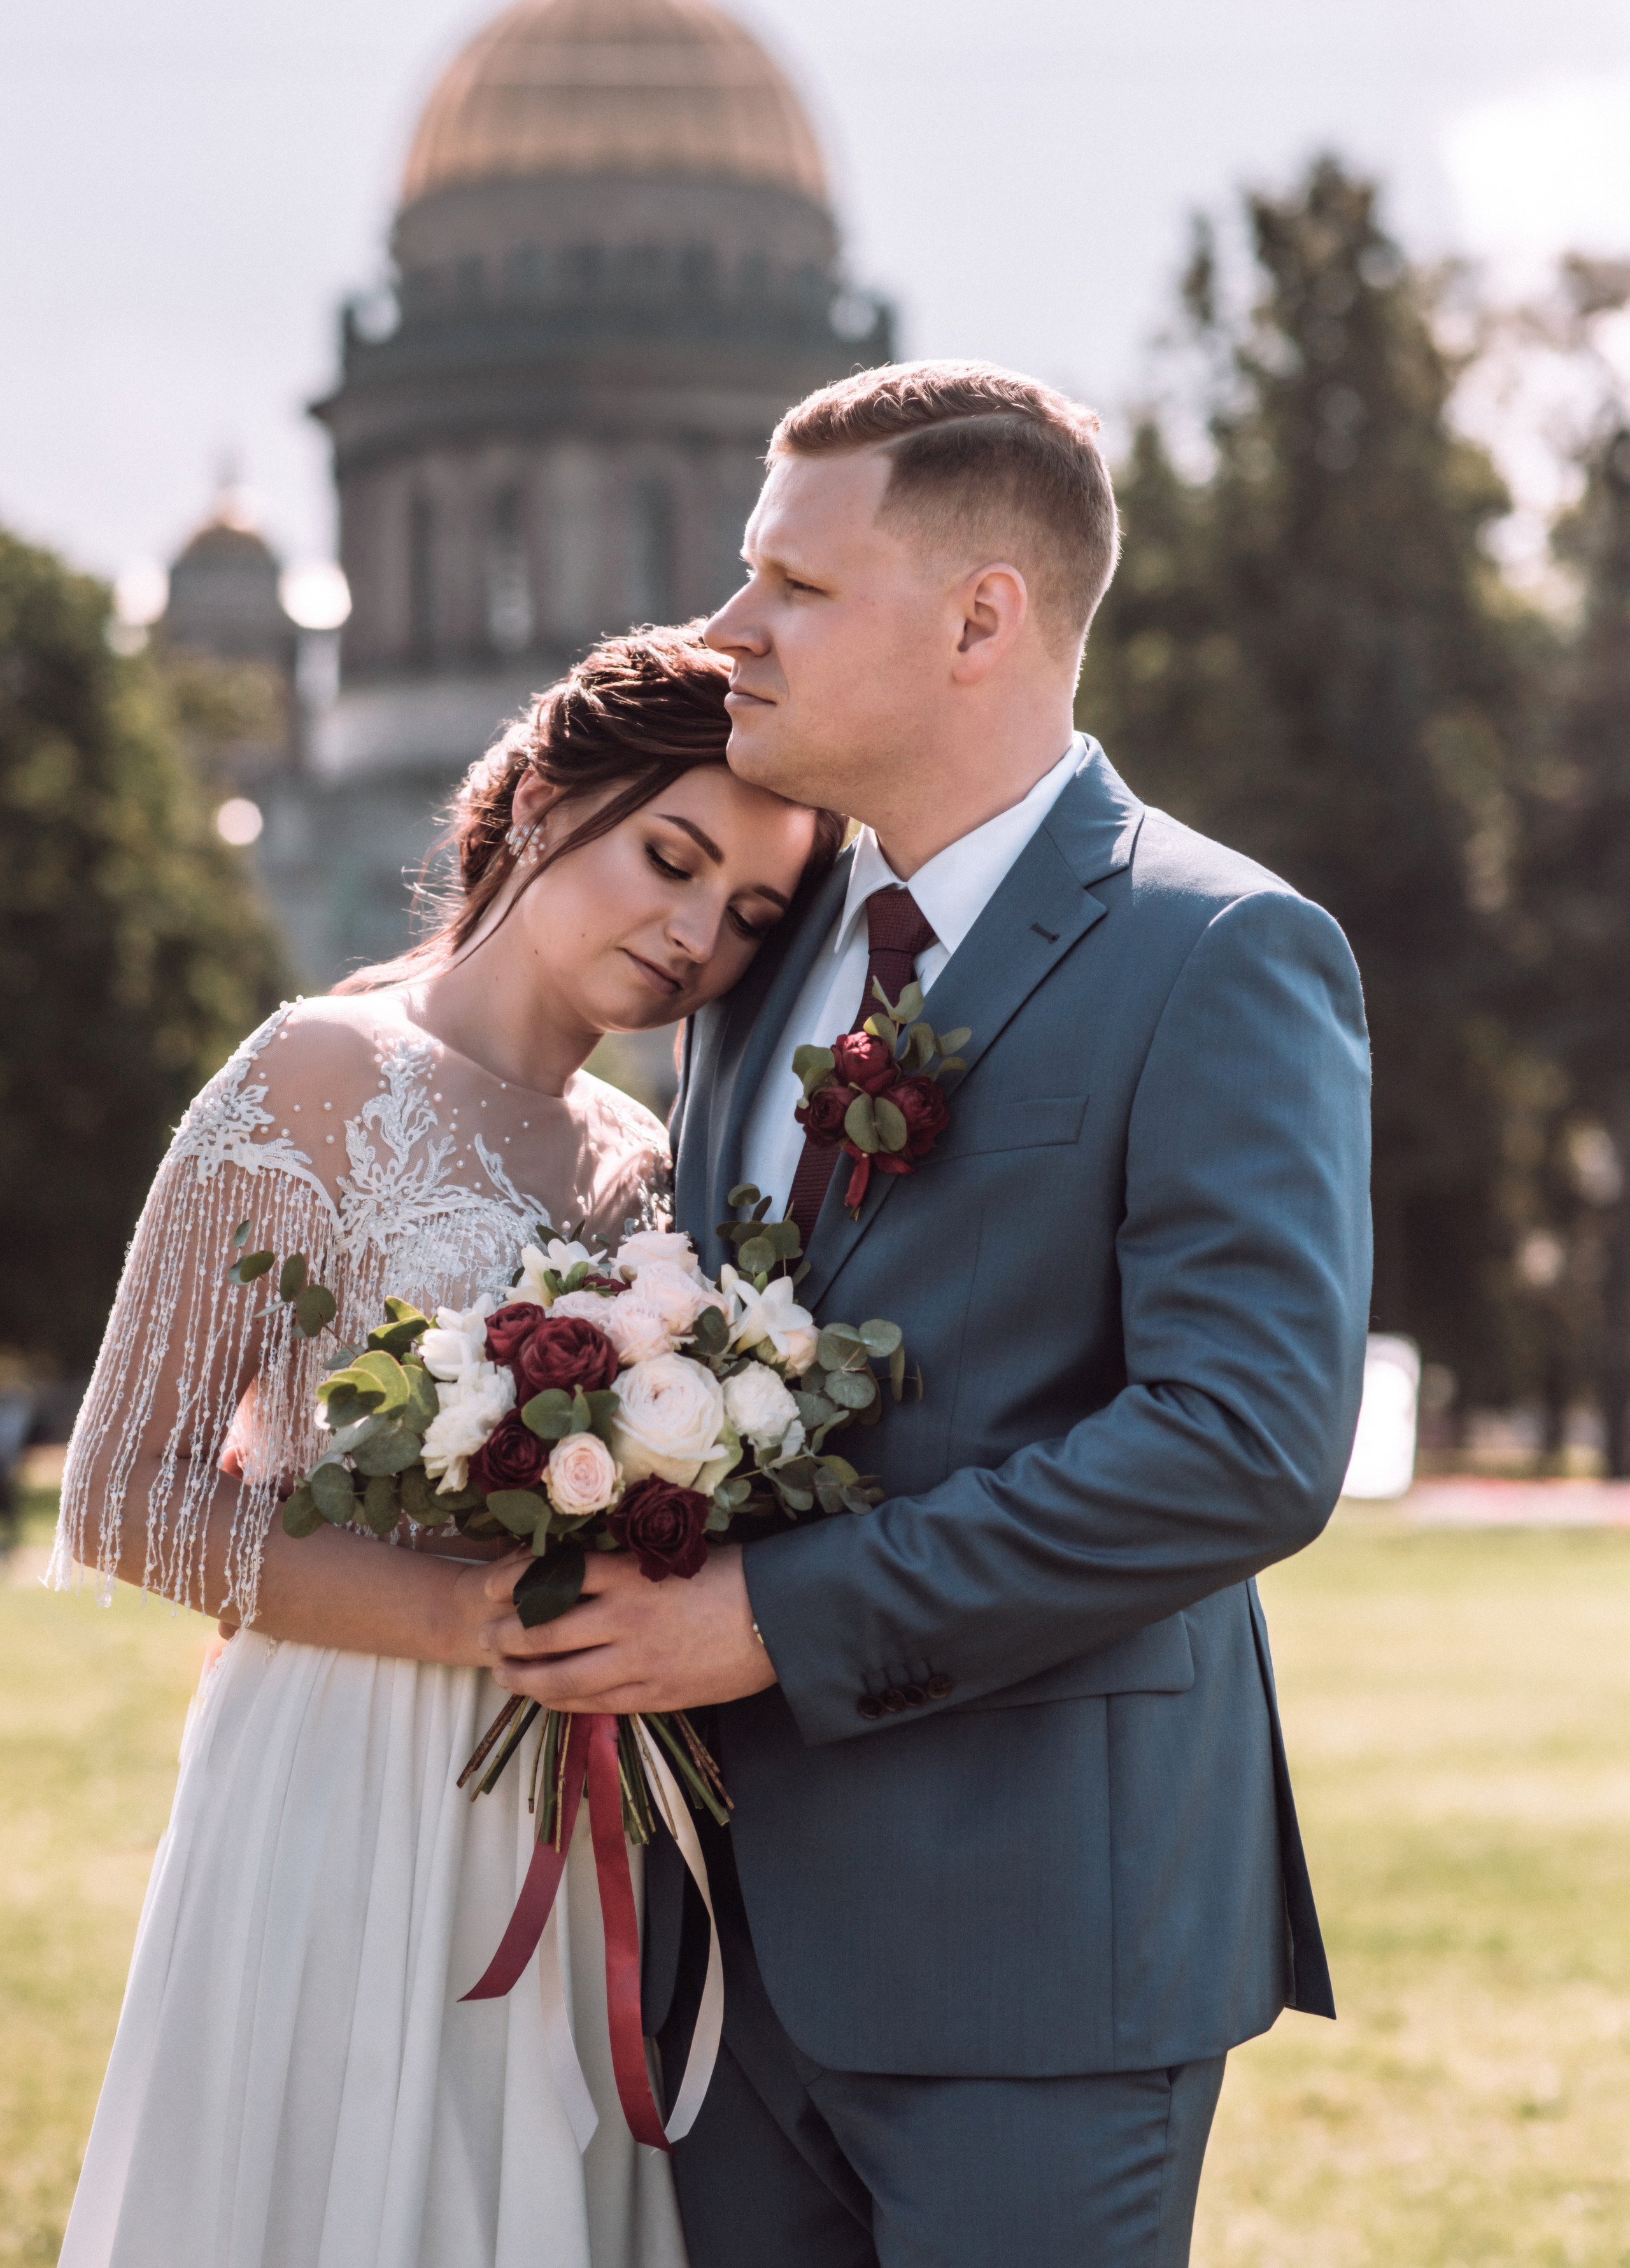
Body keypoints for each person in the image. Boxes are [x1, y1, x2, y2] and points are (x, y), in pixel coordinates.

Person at [478, 363, 1373, 2267]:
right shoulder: (753, 955)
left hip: (1038, 1947)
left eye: (793, 584)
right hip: (720, 1951)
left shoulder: (1220, 951)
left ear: (982, 619)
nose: (728, 629)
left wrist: (769, 1619)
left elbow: (1242, 1445)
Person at [50, 630, 842, 2268]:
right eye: (671, 858)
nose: (695, 935)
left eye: (750, 916)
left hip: (583, 1802)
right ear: (543, 799)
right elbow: (123, 1487)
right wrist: (466, 1618)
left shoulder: (653, 1159)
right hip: (338, 1772)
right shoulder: (313, 1073)